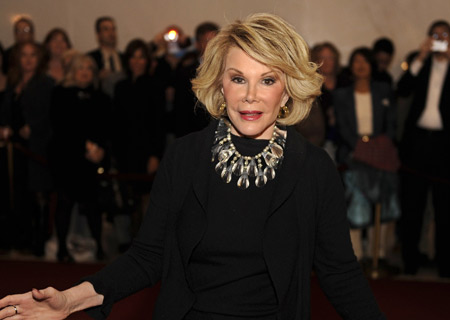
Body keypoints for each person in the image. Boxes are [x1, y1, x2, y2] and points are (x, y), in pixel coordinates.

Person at [0, 13, 385, 320]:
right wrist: (69, 300)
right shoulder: (185, 156)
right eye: (238, 78)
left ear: (287, 90)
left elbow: (340, 273)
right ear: (220, 85)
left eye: (267, 79)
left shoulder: (314, 169)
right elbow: (148, 256)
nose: (251, 96)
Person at [334, 47, 400, 264]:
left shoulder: (383, 90)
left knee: (381, 201)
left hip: (380, 152)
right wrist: (361, 147)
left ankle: (378, 253)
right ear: (351, 66)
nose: (361, 65)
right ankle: (356, 255)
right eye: (356, 61)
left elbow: (392, 125)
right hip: (353, 154)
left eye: (365, 61)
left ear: (372, 65)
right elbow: (342, 128)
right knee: (356, 202)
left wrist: (376, 147)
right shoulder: (342, 94)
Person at [396, 20, 450, 278]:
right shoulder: (419, 62)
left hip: (444, 148)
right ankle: (410, 261)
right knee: (412, 207)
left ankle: (445, 263)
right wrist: (421, 56)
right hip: (416, 144)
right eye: (435, 35)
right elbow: (403, 89)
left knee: (445, 210)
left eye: (445, 35)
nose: (440, 39)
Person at [48, 54, 110, 262]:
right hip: (67, 158)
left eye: (89, 69)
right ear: (72, 71)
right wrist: (86, 146)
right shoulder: (60, 94)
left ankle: (99, 247)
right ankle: (62, 249)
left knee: (94, 205)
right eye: (80, 68)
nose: (84, 72)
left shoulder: (100, 97)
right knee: (65, 203)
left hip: (92, 161)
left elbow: (107, 127)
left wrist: (100, 150)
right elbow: (62, 126)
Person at [0, 41, 54, 256]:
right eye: (24, 55)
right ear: (17, 59)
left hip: (38, 148)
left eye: (33, 55)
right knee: (20, 194)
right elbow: (9, 113)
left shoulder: (46, 83)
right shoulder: (13, 83)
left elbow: (51, 116)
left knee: (39, 194)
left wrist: (33, 128)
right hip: (17, 151)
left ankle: (38, 242)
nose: (29, 59)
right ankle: (21, 238)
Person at [112, 39, 166, 247]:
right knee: (127, 199)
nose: (137, 61)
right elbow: (116, 122)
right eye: (133, 56)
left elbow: (158, 124)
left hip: (146, 150)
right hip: (124, 150)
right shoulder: (120, 86)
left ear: (147, 60)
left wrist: (155, 155)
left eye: (141, 56)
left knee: (146, 199)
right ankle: (129, 242)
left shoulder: (155, 86)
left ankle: (144, 245)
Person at [171, 21, 219, 137]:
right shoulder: (186, 73)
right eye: (207, 41)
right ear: (197, 44)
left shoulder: (229, 71)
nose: (212, 45)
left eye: (216, 41)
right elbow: (180, 113)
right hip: (194, 137)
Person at [87, 16, 124, 97]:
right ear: (98, 35)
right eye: (106, 29)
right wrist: (97, 78)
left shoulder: (124, 58)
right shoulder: (89, 58)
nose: (111, 33)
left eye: (113, 29)